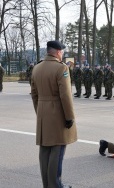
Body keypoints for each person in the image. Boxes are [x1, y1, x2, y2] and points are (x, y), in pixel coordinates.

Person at [31, 40, 77, 188]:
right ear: (58, 52)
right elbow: (65, 95)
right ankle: (56, 185)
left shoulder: (37, 68)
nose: (62, 54)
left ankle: (47, 185)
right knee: (57, 151)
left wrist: (40, 111)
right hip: (58, 113)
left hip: (43, 114)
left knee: (45, 152)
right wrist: (69, 117)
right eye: (62, 51)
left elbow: (34, 94)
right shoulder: (61, 68)